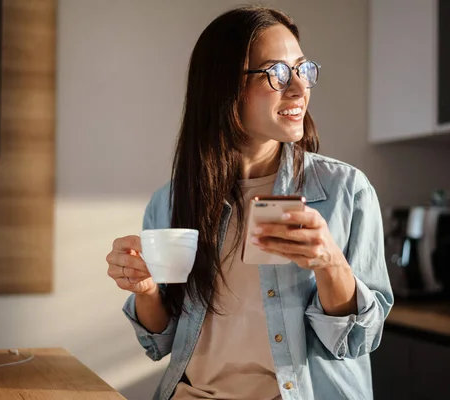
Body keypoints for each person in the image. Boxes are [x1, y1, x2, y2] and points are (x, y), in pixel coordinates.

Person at [106, 5, 393, 400]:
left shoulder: (346, 190)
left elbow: (362, 338)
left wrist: (329, 262)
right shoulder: (171, 201)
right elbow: (161, 340)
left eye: (302, 69)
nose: (298, 88)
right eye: (276, 73)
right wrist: (145, 289)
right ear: (224, 86)